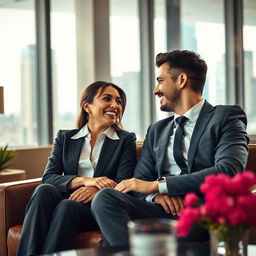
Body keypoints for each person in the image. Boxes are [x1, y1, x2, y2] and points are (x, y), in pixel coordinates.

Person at [91, 50, 249, 247]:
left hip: (201, 212)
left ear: (181, 80)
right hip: (161, 211)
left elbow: (228, 171)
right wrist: (156, 196)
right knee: (105, 198)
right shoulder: (157, 130)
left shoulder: (225, 117)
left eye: (160, 81)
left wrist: (159, 185)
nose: (155, 90)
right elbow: (139, 183)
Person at [17, 81, 137, 255]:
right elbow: (49, 176)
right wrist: (86, 181)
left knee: (67, 206)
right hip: (67, 196)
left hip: (95, 207)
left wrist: (96, 190)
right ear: (87, 106)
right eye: (107, 99)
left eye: (118, 101)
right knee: (44, 190)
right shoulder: (65, 137)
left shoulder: (125, 140)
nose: (115, 105)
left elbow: (123, 182)